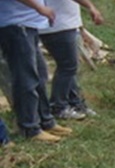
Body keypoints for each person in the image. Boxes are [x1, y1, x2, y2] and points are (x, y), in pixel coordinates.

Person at [0, 0, 73, 142]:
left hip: (28, 24)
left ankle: (45, 121)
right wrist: (39, 8)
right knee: (25, 78)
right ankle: (29, 128)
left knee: (40, 75)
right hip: (15, 24)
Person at [37, 0, 103, 121]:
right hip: (58, 26)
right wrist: (90, 6)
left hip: (65, 24)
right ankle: (58, 106)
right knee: (67, 66)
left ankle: (75, 103)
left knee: (69, 67)